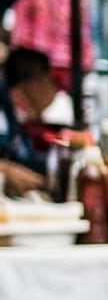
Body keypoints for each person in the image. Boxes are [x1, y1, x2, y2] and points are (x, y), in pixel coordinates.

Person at [1, 47, 65, 195]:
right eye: (48, 79)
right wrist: (7, 171)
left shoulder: (16, 115)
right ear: (34, 81)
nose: (54, 88)